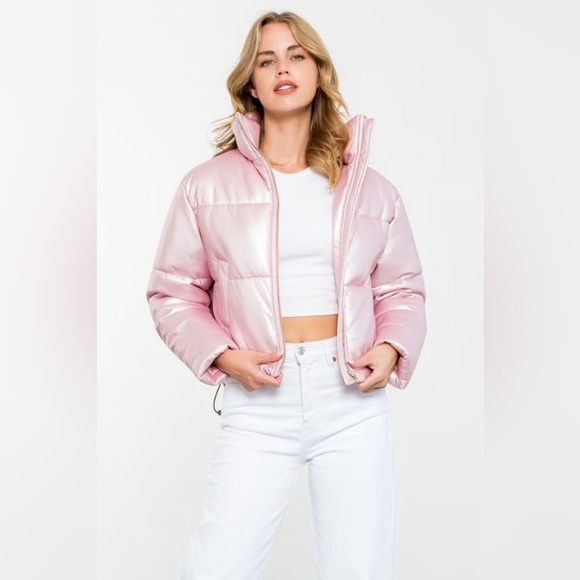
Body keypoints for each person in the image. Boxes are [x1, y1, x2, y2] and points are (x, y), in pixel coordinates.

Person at [146, 10, 427, 580]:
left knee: (361, 568)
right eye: (267, 60)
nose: (282, 68)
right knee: (217, 566)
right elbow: (172, 292)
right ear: (250, 83)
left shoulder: (370, 189)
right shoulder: (207, 185)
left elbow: (402, 287)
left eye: (296, 56)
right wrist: (225, 357)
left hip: (351, 399)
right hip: (259, 400)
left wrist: (391, 348)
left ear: (318, 71)